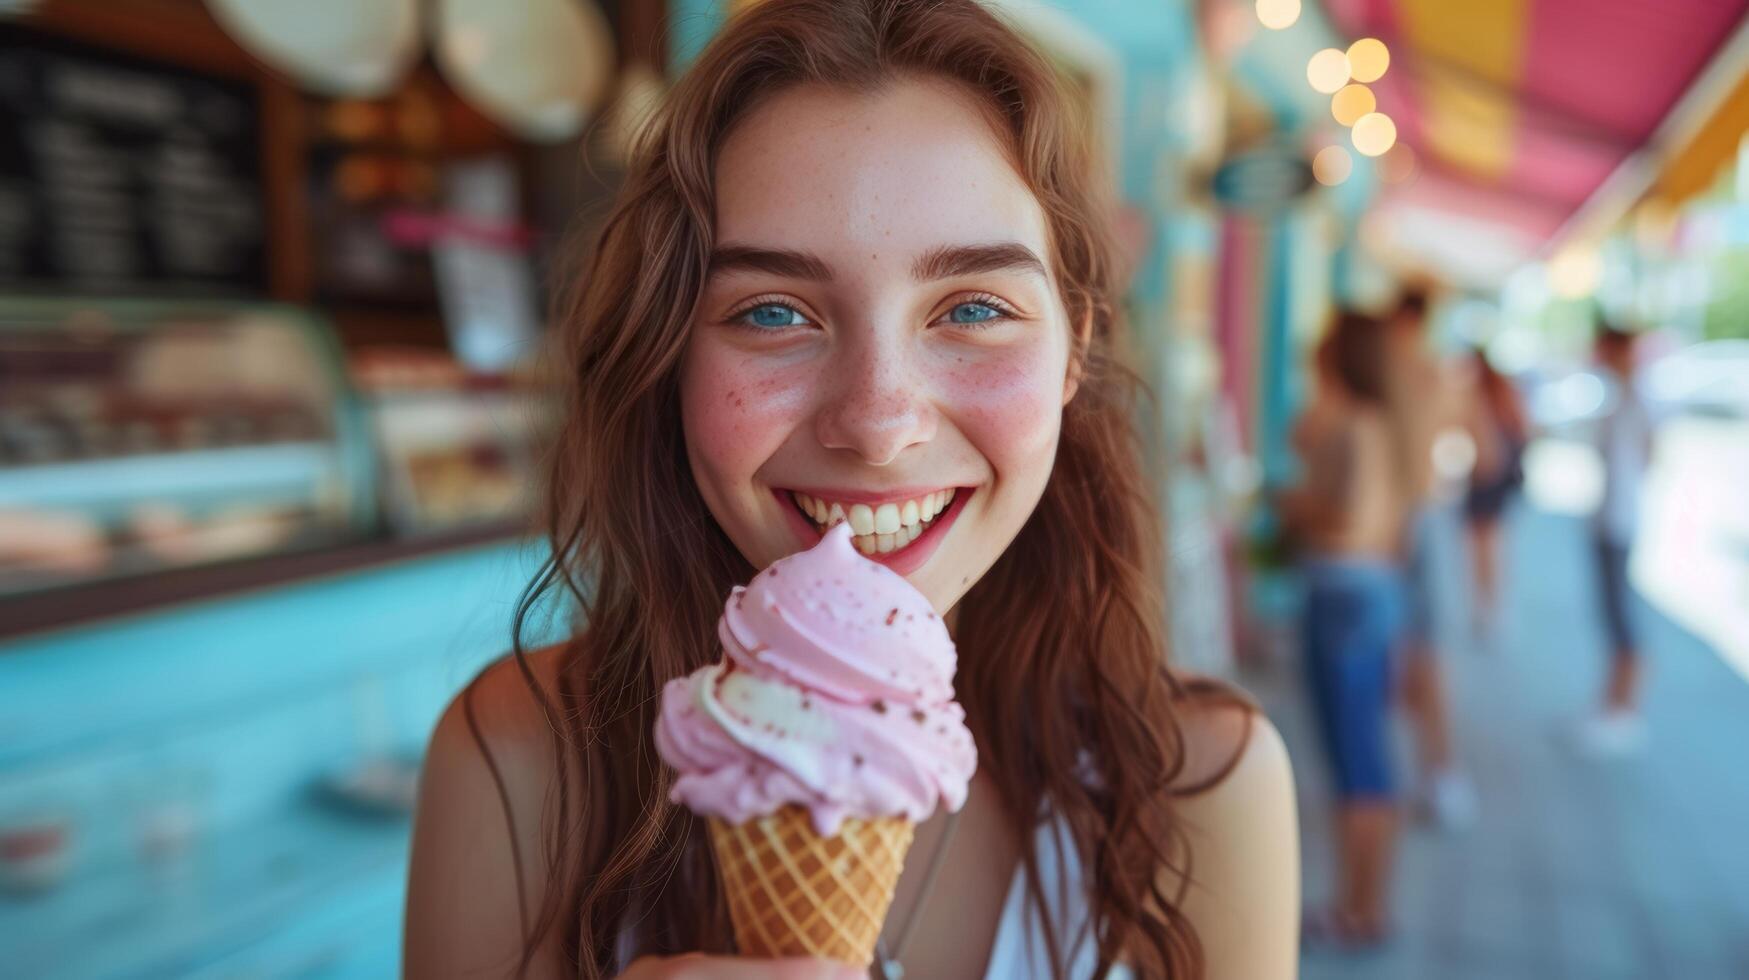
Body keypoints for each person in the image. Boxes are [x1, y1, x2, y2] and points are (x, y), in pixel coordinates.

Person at [403, 2, 1299, 978]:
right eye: (774, 310)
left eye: (972, 308)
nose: (877, 424)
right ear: (670, 352)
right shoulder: (517, 763)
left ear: (1076, 345)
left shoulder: (1204, 788)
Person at [1281, 312, 1406, 948]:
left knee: (1358, 757)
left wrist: (1292, 506)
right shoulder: (1367, 422)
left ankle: (1362, 907)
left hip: (1346, 598)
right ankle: (1360, 902)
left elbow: (1346, 523)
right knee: (1360, 755)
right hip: (1361, 595)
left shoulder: (1359, 426)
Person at [1380, 287, 1476, 830]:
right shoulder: (1437, 371)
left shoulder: (1399, 369)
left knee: (1423, 654)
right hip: (1423, 514)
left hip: (1401, 522)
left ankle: (1439, 771)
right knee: (1424, 652)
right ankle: (1438, 770)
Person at [1574, 324, 1654, 756]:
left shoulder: (1637, 399)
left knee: (1621, 614)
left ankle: (1624, 709)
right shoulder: (1620, 396)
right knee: (1611, 613)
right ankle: (1612, 703)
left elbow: (1648, 456)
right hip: (1608, 518)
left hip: (1620, 520)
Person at [1462, 346, 1528, 639]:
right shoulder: (1503, 392)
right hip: (1496, 480)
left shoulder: (1482, 396)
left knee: (1484, 546)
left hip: (1486, 478)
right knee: (1492, 545)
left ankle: (1489, 607)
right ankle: (1492, 606)